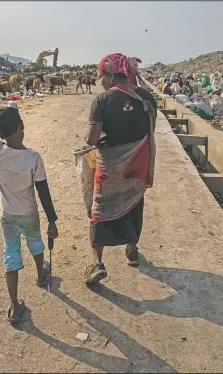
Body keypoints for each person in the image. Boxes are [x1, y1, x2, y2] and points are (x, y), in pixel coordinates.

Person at [0, 104, 59, 324]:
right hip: (28, 212)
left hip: (7, 214)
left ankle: (14, 306)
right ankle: (41, 275)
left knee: (11, 255)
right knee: (35, 243)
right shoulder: (33, 158)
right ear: (22, 126)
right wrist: (52, 220)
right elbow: (43, 191)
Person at [82, 53, 157, 285]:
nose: (100, 81)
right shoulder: (147, 98)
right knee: (134, 205)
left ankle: (97, 262)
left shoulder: (102, 101)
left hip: (111, 168)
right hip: (137, 167)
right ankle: (132, 250)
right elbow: (150, 131)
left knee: (100, 208)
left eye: (101, 76)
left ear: (112, 74)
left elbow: (91, 139)